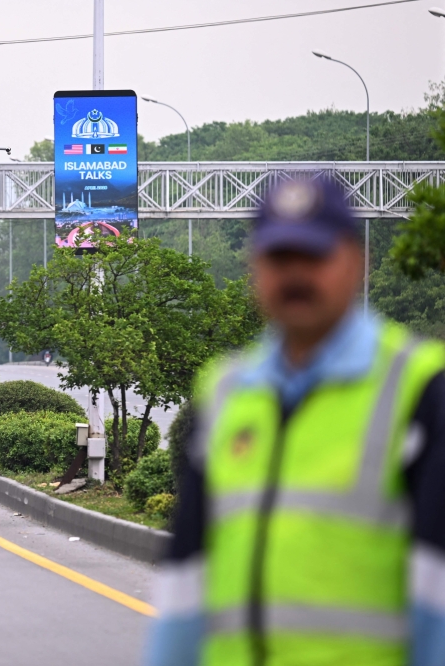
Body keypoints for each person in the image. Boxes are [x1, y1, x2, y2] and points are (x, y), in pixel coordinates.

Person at [145, 179, 445, 666]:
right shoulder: (225, 392)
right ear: (256, 269)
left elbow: (437, 596)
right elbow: (186, 584)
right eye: (280, 259)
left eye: (314, 256)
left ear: (355, 262)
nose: (296, 275)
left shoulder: (419, 389)